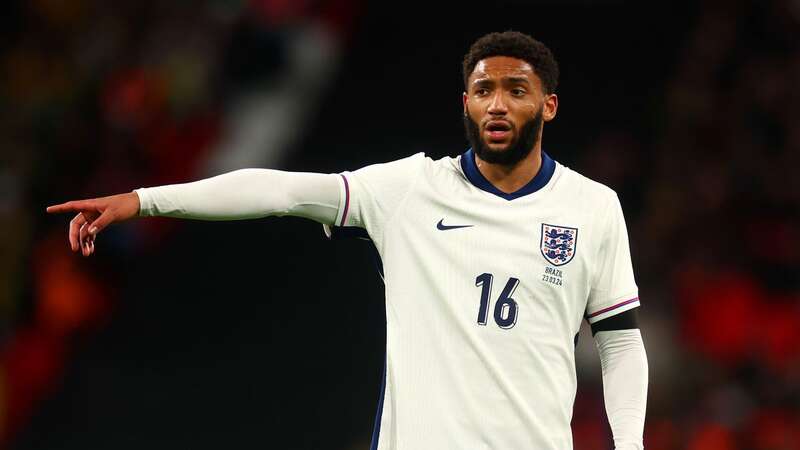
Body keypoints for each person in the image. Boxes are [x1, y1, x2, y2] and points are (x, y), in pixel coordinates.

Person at [47, 31, 648, 450]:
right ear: (465, 102)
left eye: (516, 90)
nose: (497, 103)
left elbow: (619, 346)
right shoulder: (411, 189)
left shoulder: (592, 208)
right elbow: (280, 190)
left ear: (548, 106)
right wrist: (146, 200)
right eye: (484, 89)